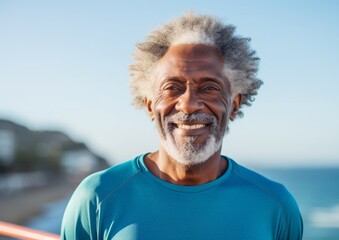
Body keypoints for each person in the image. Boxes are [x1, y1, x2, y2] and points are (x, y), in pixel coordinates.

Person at [61, 12, 303, 240]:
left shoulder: (276, 205)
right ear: (149, 104)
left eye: (209, 88)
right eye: (171, 88)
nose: (188, 105)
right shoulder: (98, 197)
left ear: (234, 105)